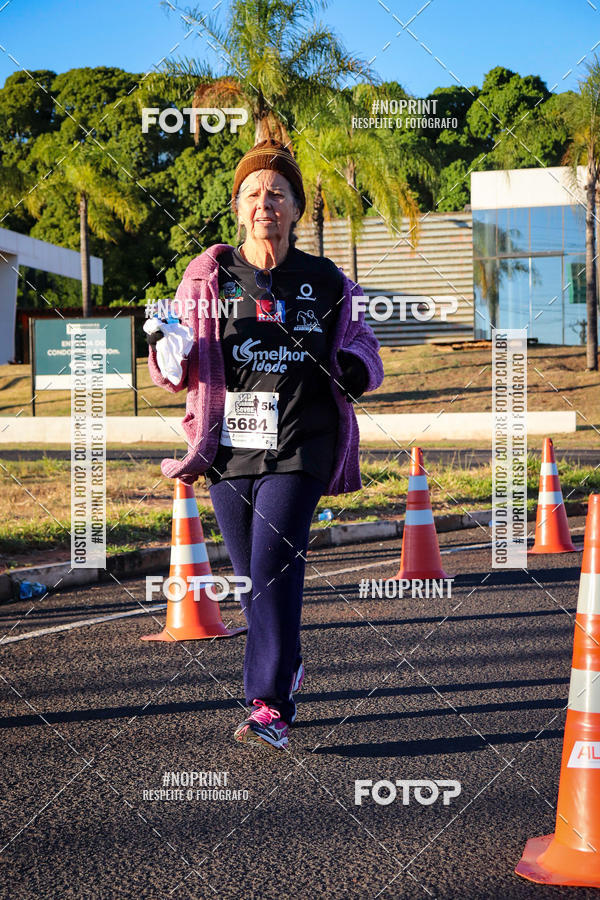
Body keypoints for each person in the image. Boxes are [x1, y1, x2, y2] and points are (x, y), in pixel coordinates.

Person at [147, 139, 384, 751]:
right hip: (228, 448)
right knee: (251, 576)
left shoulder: (326, 279)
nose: (264, 204)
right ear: (237, 207)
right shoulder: (209, 276)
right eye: (253, 194)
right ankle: (287, 665)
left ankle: (269, 702)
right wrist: (166, 355)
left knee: (275, 568)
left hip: (302, 441)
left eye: (277, 193)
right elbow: (177, 361)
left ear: (297, 207)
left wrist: (353, 372)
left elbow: (364, 347)